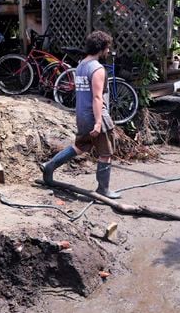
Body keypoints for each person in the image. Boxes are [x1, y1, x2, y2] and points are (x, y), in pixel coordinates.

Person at [40, 31, 120, 199]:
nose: (108, 51)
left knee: (81, 146)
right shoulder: (98, 69)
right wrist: (99, 123)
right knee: (105, 153)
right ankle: (103, 190)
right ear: (102, 48)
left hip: (81, 115)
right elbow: (97, 97)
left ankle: (50, 165)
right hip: (95, 116)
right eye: (107, 48)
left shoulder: (81, 65)